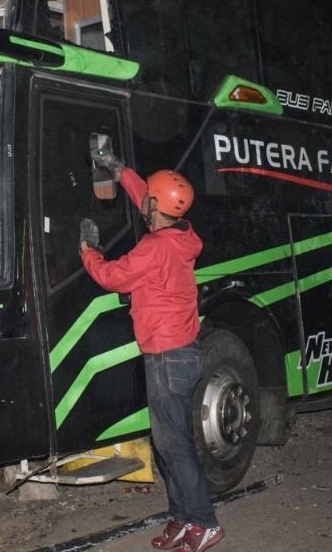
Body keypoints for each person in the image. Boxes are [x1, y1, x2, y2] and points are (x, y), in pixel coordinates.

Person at [79, 153, 224, 551]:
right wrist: (121, 169)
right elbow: (149, 195)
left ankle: (204, 522)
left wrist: (88, 249)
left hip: (166, 358)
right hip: (182, 353)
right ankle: (182, 519)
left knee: (173, 446)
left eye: (149, 200)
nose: (144, 201)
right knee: (171, 444)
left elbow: (113, 276)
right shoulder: (182, 238)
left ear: (157, 208)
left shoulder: (156, 248)